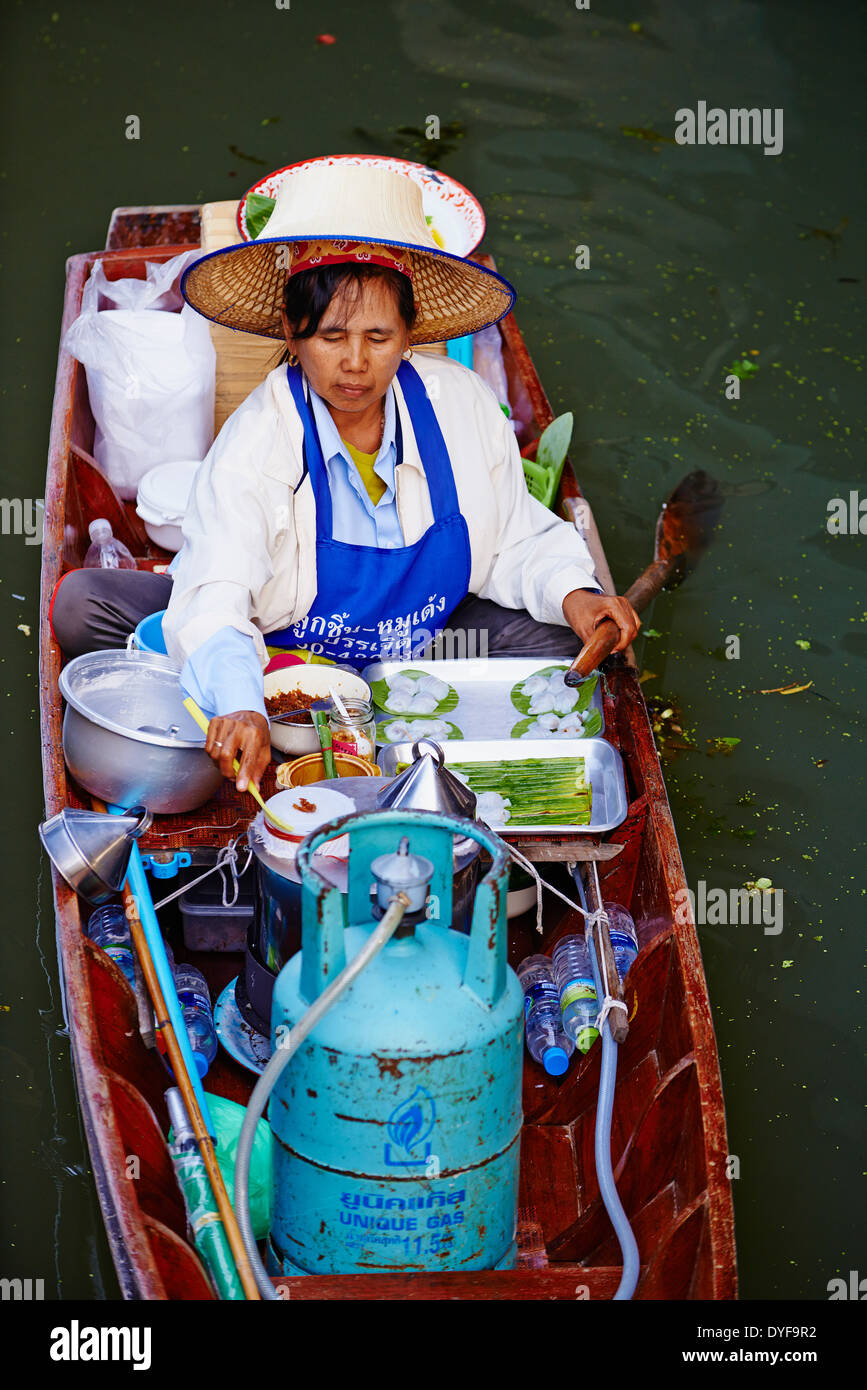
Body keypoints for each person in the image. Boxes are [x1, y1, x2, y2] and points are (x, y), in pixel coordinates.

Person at [52, 161, 639, 792]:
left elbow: (517, 538)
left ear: (409, 336)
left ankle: (389, 708)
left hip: (424, 647)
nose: (355, 364)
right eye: (331, 336)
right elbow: (217, 586)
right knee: (86, 604)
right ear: (291, 332)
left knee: (562, 643)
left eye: (379, 337)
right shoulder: (259, 435)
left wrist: (578, 595)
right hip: (284, 655)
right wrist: (243, 701)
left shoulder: (462, 405)